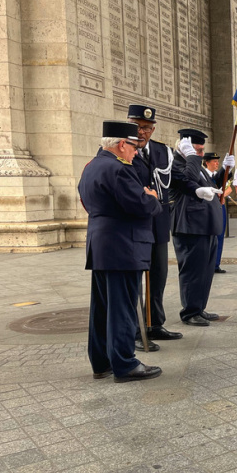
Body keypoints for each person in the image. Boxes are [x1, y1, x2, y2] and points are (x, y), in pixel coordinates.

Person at [78, 120, 163, 382]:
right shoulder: (118, 169)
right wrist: (152, 197)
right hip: (124, 246)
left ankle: (102, 362)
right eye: (134, 146)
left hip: (102, 245)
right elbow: (140, 206)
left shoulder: (91, 166)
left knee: (102, 308)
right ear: (122, 144)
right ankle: (125, 364)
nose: (137, 152)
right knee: (123, 309)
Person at [127, 104, 179, 351]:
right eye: (137, 126)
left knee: (158, 275)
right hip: (135, 223)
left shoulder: (162, 151)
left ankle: (155, 323)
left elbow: (178, 178)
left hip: (158, 222)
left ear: (153, 129)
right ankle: (136, 330)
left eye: (146, 128)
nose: (142, 132)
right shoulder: (120, 147)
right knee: (135, 278)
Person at [170, 129, 233, 327]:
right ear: (183, 147)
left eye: (201, 151)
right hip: (189, 226)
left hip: (205, 226)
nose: (199, 155)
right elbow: (188, 180)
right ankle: (189, 312)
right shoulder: (176, 163)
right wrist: (190, 157)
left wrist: (224, 169)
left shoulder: (195, 164)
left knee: (205, 271)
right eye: (196, 150)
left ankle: (199, 308)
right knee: (192, 272)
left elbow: (210, 183)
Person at [203, 152, 233, 274]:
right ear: (207, 162)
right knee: (208, 235)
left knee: (220, 234)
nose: (217, 163)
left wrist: (222, 195)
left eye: (217, 161)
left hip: (220, 206)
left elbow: (229, 188)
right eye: (214, 161)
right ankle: (206, 263)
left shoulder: (222, 175)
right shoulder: (203, 174)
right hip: (208, 208)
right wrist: (217, 194)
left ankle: (216, 264)